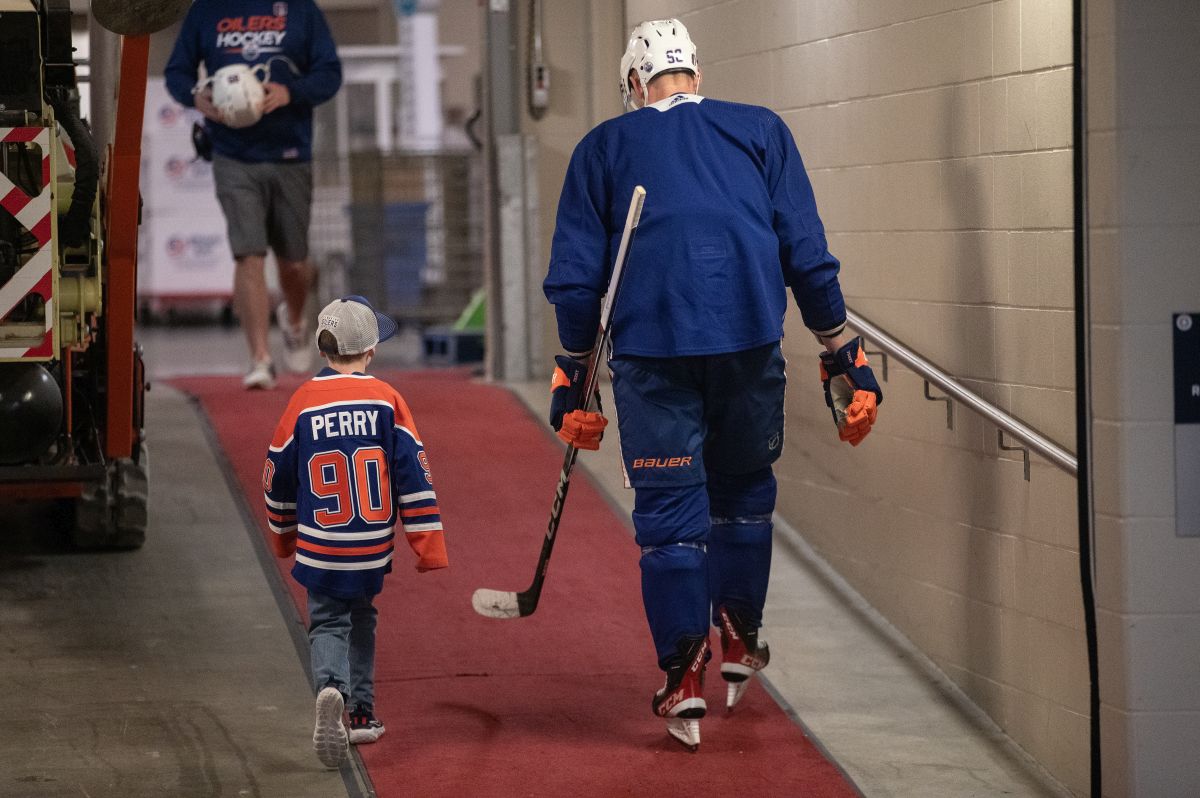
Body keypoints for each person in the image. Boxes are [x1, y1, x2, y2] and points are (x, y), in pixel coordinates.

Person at [543, 19, 882, 752]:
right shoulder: (761, 131)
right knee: (744, 492)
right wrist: (842, 352)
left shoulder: (604, 146)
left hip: (653, 355)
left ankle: (683, 671)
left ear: (636, 82)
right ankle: (739, 628)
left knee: (670, 512)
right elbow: (808, 255)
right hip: (750, 344)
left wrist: (575, 375)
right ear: (694, 72)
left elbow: (577, 285)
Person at [262, 295, 449, 767]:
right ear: (370, 352)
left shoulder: (302, 403)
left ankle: (330, 687)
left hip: (321, 546)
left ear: (322, 351)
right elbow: (415, 476)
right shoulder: (388, 400)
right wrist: (428, 546)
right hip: (370, 547)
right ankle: (363, 714)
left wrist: (283, 537)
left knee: (327, 620)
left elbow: (276, 476)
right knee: (362, 615)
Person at [165, 0, 343, 389]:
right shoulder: (206, 11)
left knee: (294, 264)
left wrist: (289, 92)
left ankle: (295, 321)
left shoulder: (301, 10)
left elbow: (330, 74)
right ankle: (260, 358)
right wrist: (196, 98)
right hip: (233, 155)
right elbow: (176, 72)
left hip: (291, 154)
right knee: (248, 254)